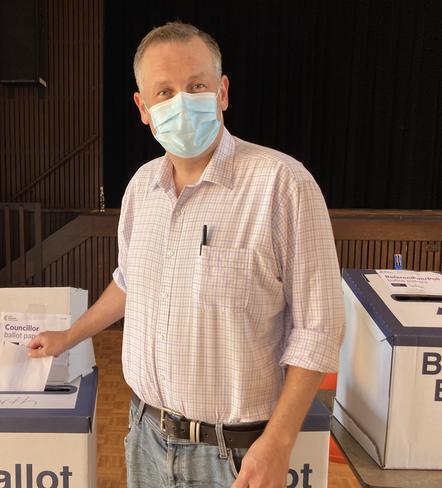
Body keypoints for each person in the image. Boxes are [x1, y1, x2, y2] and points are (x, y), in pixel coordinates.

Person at [28, 21, 344, 488]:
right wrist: (69, 336)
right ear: (143, 108)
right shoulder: (141, 189)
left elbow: (319, 328)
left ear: (222, 92)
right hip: (145, 436)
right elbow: (129, 281)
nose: (181, 102)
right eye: (164, 92)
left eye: (196, 86)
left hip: (236, 453)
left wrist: (277, 445)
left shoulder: (282, 185)